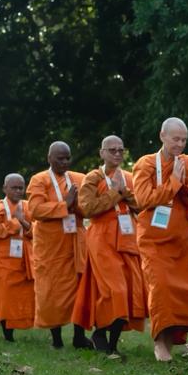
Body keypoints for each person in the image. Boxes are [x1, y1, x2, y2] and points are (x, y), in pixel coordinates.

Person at [132, 117, 188, 362]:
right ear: (162, 136)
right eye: (175, 139)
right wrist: (173, 184)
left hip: (181, 238)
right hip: (153, 239)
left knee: (181, 291)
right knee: (159, 287)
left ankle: (171, 342)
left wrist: (185, 187)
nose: (180, 144)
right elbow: (143, 199)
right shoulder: (146, 164)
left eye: (183, 140)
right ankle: (159, 343)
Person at [73, 136, 146, 356]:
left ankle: (111, 343)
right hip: (101, 238)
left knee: (128, 288)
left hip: (127, 236)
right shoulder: (93, 178)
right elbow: (87, 208)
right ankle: (99, 332)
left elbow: (140, 205)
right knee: (115, 289)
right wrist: (116, 194)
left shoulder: (129, 177)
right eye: (112, 150)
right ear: (101, 153)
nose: (117, 154)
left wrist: (125, 193)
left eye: (120, 150)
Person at [28, 142, 92, 350]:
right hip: (50, 246)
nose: (64, 162)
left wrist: (77, 205)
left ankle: (79, 336)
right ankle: (56, 338)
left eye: (67, 158)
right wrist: (64, 204)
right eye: (59, 158)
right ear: (49, 158)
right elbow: (35, 210)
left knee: (79, 288)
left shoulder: (79, 179)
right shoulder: (39, 180)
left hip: (76, 242)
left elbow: (88, 207)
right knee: (51, 291)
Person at [0, 173, 35, 342]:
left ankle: (24, 325)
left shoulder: (28, 206)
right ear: (5, 188)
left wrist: (24, 223)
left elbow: (37, 230)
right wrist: (16, 222)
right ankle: (8, 335)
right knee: (5, 296)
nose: (18, 191)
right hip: (2, 259)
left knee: (25, 295)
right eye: (14, 187)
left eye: (21, 188)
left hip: (24, 257)